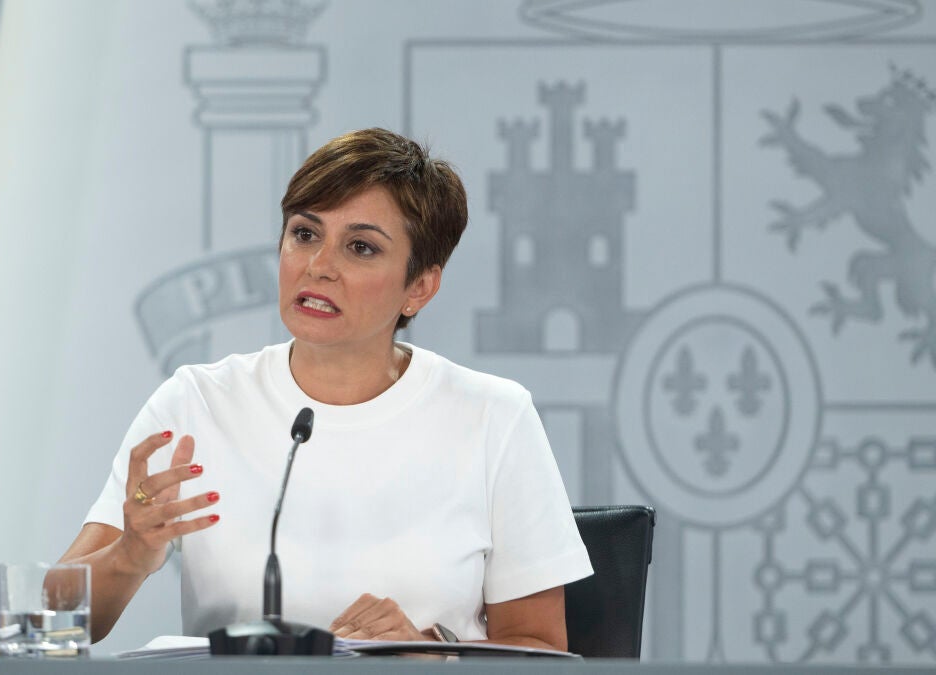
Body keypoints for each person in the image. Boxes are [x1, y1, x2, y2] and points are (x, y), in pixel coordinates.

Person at [59, 128, 592, 650]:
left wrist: (434, 651)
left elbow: (543, 650)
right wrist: (129, 554)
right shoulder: (197, 403)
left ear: (419, 287)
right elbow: (57, 620)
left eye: (360, 247)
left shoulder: (493, 416)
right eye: (305, 234)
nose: (318, 266)